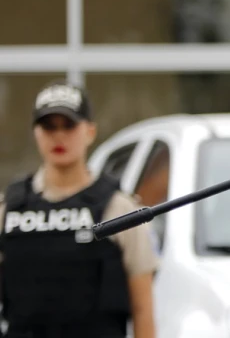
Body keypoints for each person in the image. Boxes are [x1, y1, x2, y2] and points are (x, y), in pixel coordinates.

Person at [0, 81, 159, 338]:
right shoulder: (9, 210)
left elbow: (144, 312)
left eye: (69, 125)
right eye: (48, 126)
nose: (59, 135)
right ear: (35, 132)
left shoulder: (120, 209)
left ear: (90, 131)